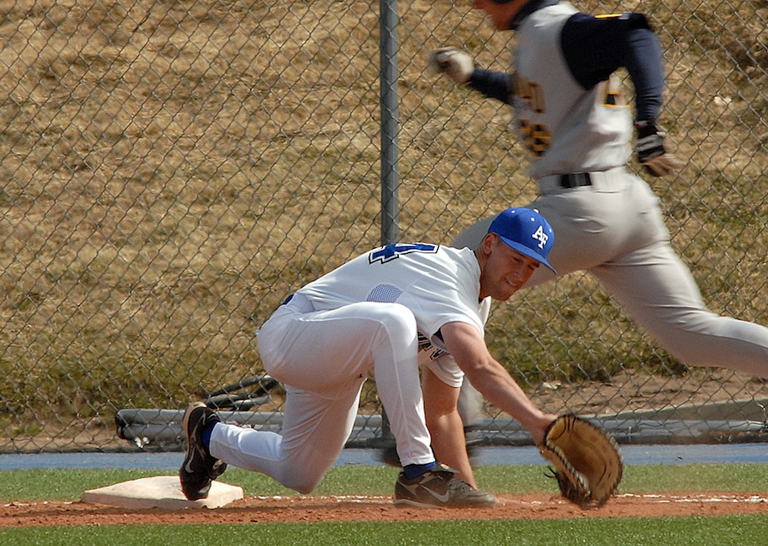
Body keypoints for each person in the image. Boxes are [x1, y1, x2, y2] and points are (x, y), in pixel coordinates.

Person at [428, 0, 768, 457]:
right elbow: (543, 98)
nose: (472, 1)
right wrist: (473, 77)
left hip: (577, 209)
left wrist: (650, 120)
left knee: (452, 272)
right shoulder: (541, 36)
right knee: (690, 334)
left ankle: (446, 428)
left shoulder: (556, 29)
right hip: (624, 207)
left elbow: (636, 32)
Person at [179, 206, 560, 507]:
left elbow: (443, 411)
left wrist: (466, 490)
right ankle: (417, 471)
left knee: (298, 472)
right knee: (395, 321)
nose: (521, 274)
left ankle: (207, 435)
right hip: (293, 335)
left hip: (337, 362)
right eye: (516, 258)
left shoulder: (476, 306)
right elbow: (480, 366)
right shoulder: (449, 274)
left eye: (531, 267)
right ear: (490, 244)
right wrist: (537, 421)